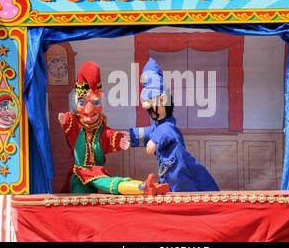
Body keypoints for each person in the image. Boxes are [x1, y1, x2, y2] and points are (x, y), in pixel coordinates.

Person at [58, 61, 169, 195]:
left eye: (95, 103)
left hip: (95, 171)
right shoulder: (76, 126)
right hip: (78, 173)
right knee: (83, 193)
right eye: (82, 103)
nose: (89, 110)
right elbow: (70, 124)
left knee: (110, 183)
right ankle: (144, 187)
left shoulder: (101, 129)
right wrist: (65, 120)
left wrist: (119, 139)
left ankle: (143, 187)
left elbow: (109, 136)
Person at [129, 58, 220, 192]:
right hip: (169, 176)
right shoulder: (158, 127)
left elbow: (166, 131)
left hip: (180, 175)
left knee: (187, 186)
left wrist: (155, 140)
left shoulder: (168, 127)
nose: (149, 110)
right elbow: (148, 132)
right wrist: (129, 137)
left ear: (163, 100)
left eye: (152, 103)